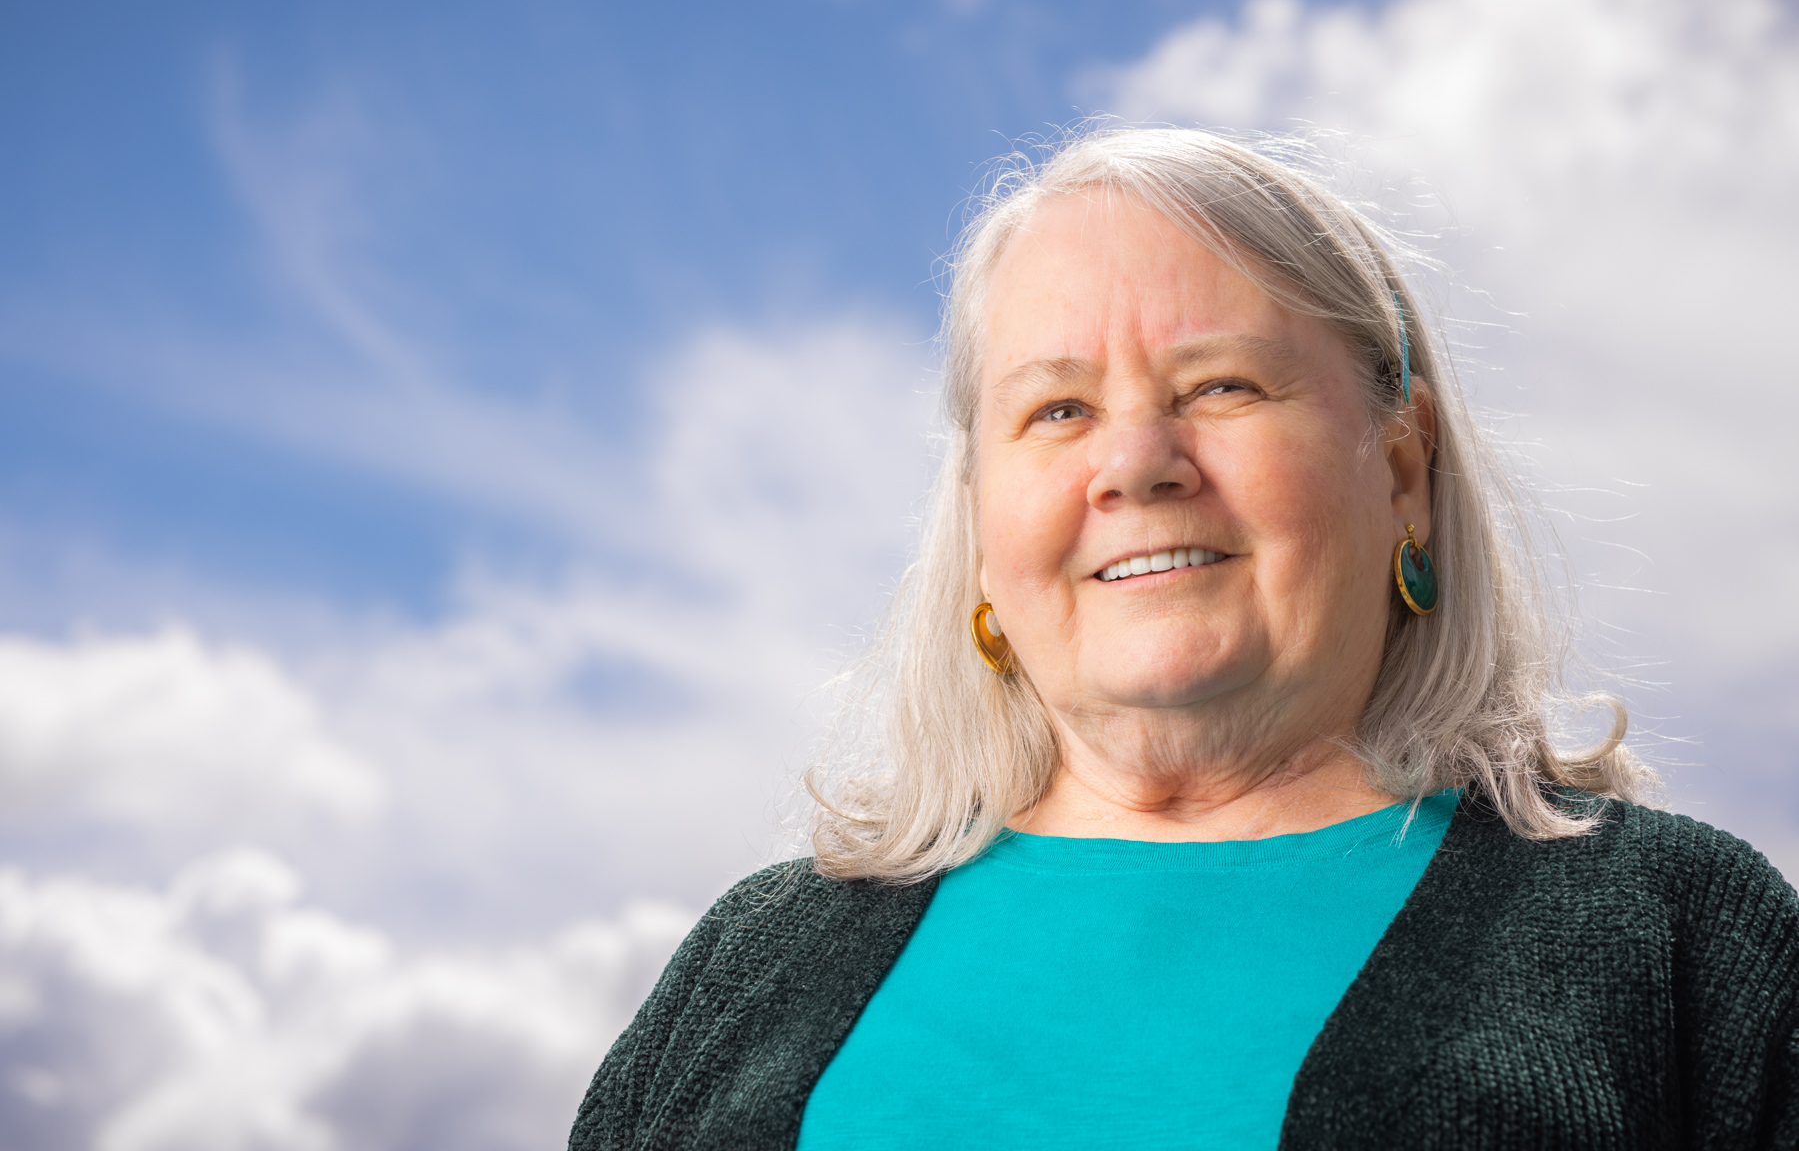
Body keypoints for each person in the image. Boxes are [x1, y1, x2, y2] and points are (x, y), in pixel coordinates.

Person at [568, 128, 1799, 1149]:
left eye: (1219, 387)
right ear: (979, 531)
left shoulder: (1677, 933)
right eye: (1056, 410)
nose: (1134, 466)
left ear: (1403, 469)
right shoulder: (752, 956)